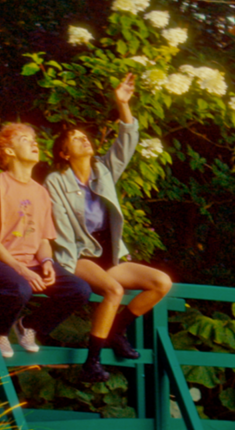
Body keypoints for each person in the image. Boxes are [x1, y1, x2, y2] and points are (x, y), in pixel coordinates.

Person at [44, 73, 173, 383]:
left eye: (84, 136)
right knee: (114, 290)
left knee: (161, 282)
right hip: (78, 255)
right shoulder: (55, 181)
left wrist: (122, 104)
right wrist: (68, 265)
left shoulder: (102, 171)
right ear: (64, 153)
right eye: (75, 139)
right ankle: (92, 362)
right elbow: (62, 231)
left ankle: (116, 330)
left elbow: (126, 142)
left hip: (108, 255)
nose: (84, 139)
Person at [0, 123, 100, 379]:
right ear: (9, 151)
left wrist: (47, 261)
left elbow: (43, 239)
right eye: (25, 140)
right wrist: (19, 268)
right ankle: (1, 333)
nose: (34, 143)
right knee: (20, 288)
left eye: (34, 139)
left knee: (79, 289)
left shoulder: (40, 192)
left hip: (30, 261)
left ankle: (29, 325)